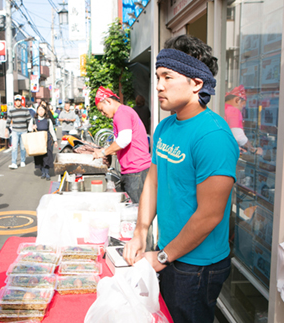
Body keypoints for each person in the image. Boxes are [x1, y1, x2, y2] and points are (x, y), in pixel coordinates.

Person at [123, 35, 239, 323]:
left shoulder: (213, 136)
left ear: (196, 83)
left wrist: (163, 258)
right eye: (158, 77)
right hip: (169, 252)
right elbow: (153, 181)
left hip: (197, 266)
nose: (159, 85)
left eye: (168, 77)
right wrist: (141, 231)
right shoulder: (165, 127)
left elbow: (210, 215)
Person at [92, 87, 151, 203]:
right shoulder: (124, 112)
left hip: (136, 171)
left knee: (138, 211)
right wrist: (107, 150)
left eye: (101, 109)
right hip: (136, 170)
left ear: (108, 101)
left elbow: (124, 140)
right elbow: (120, 145)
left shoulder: (121, 113)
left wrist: (103, 152)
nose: (102, 113)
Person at [225, 85, 262, 155]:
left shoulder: (223, 107)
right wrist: (254, 150)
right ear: (237, 100)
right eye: (242, 106)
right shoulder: (234, 111)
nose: (241, 109)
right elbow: (239, 137)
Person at [28, 102, 58, 180]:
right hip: (37, 140)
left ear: (45, 111)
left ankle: (47, 172)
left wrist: (55, 140)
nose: (41, 111)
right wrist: (32, 127)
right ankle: (43, 171)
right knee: (39, 156)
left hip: (46, 140)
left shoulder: (48, 120)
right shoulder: (33, 120)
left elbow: (51, 130)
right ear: (37, 111)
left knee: (47, 156)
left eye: (42, 110)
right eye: (39, 110)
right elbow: (29, 129)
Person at [7, 94, 31, 169]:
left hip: (24, 130)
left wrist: (31, 128)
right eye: (16, 101)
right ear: (14, 102)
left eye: (19, 101)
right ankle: (14, 162)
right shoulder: (11, 110)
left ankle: (22, 161)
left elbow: (29, 120)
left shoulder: (25, 110)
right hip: (15, 131)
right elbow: (8, 120)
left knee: (23, 147)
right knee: (14, 147)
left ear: (21, 101)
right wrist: (6, 129)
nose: (17, 102)